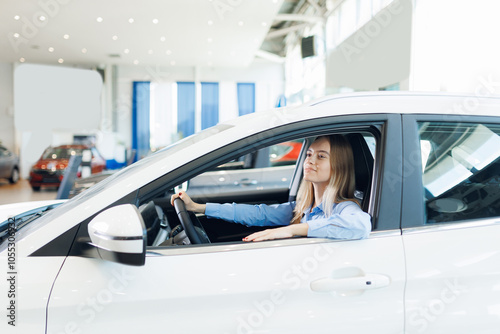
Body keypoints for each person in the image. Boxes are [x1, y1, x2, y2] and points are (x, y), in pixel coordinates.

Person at [170, 135, 371, 242]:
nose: (310, 160)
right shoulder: (303, 208)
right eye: (309, 154)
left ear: (339, 166)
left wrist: (292, 230)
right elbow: (258, 214)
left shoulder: (343, 207)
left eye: (321, 156)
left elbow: (360, 226)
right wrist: (198, 207)